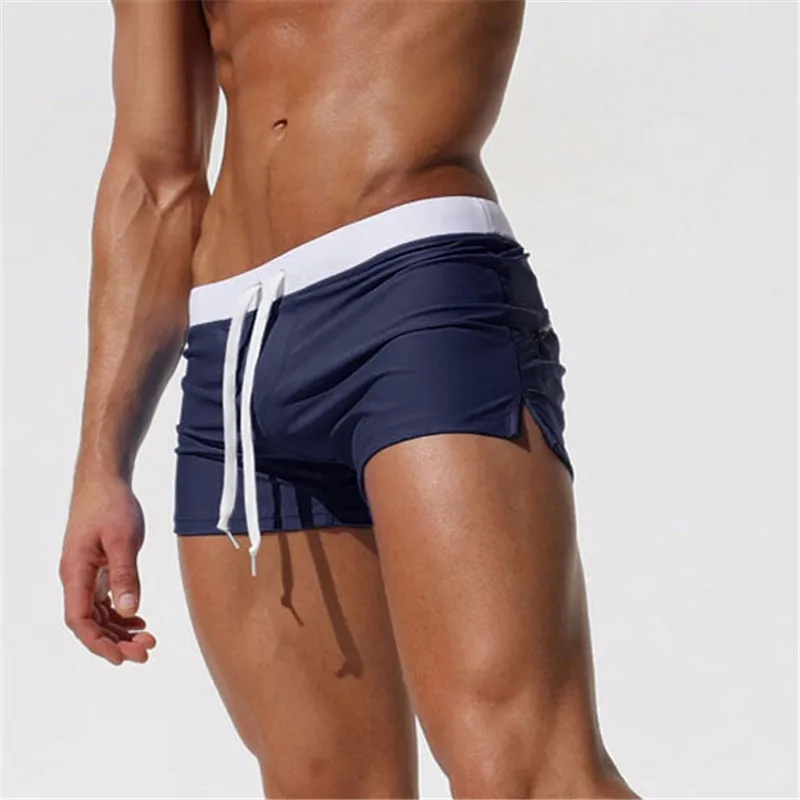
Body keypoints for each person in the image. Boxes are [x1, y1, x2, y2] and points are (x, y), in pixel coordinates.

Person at [59, 1, 639, 798]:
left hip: (412, 289)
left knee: (525, 772)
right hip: (234, 350)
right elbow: (152, 177)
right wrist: (101, 464)